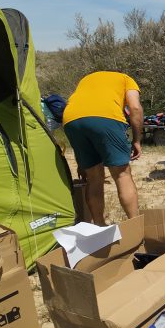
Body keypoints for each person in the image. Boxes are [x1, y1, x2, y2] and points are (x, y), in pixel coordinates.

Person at [62, 71, 143, 224]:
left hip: (71, 119)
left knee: (93, 178)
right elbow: (135, 108)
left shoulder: (86, 79)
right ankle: (136, 226)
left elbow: (84, 113)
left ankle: (99, 226)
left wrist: (82, 164)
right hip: (106, 117)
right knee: (122, 174)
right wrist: (137, 140)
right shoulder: (126, 79)